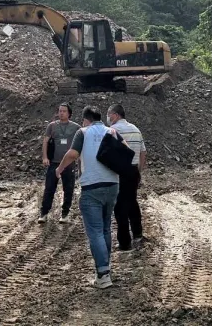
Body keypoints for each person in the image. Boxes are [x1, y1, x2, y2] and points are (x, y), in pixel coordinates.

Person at [55, 105, 128, 289]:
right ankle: (105, 269)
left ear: (86, 119)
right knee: (104, 228)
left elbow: (72, 154)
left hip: (92, 187)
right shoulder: (111, 131)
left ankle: (103, 274)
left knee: (95, 231)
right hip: (112, 185)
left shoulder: (83, 132)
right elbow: (126, 149)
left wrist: (59, 168)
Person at [107, 103, 146, 252]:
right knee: (132, 202)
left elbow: (108, 153)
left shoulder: (113, 131)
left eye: (109, 114)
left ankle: (124, 243)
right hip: (133, 171)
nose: (108, 118)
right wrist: (139, 171)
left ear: (116, 115)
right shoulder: (136, 129)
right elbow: (143, 152)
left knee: (120, 206)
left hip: (119, 172)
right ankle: (138, 234)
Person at [39, 103, 80, 224]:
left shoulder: (76, 127)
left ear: (69, 114)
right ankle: (44, 213)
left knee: (68, 189)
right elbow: (45, 141)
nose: (61, 113)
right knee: (49, 188)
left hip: (69, 163)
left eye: (64, 111)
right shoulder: (52, 126)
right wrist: (45, 157)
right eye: (60, 111)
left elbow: (80, 142)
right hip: (54, 162)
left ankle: (65, 214)